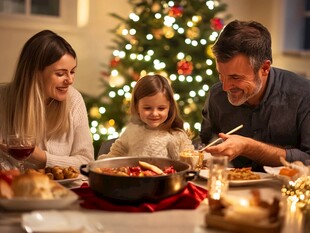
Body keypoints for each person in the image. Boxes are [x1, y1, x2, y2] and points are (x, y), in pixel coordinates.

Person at [199, 20, 310, 172]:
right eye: (221, 75)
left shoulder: (304, 95)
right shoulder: (216, 95)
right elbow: (204, 143)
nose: (225, 87)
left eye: (235, 77)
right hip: (228, 190)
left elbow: (308, 160)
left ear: (264, 68)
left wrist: (249, 147)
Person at [0, 30, 94, 170]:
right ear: (35, 73)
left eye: (72, 71)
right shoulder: (3, 99)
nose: (70, 80)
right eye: (60, 73)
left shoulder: (74, 100)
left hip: (63, 190)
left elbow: (86, 163)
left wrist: (42, 158)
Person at [98, 74, 194, 160]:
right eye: (147, 108)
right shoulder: (131, 132)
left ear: (170, 107)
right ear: (137, 107)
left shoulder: (176, 136)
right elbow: (113, 157)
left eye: (161, 108)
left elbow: (188, 163)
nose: (155, 113)